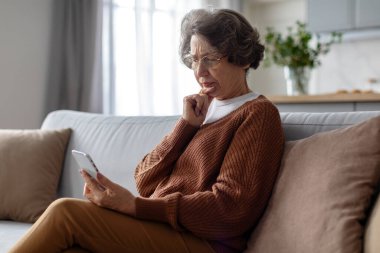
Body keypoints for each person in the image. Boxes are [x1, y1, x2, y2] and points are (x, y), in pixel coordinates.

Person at [9, 8, 284, 253]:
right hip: (163, 228)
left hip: (204, 242)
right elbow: (145, 180)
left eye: (210, 59)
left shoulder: (257, 115)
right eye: (194, 59)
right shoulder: (201, 113)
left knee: (65, 212)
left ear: (243, 59)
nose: (199, 71)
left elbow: (229, 209)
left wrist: (134, 206)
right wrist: (185, 127)